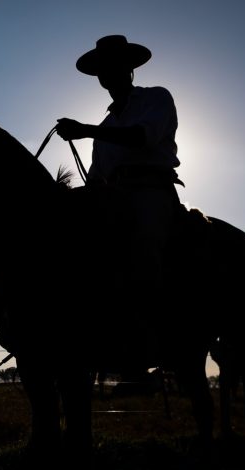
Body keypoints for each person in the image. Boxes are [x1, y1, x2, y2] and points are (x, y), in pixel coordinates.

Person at [55, 35, 183, 365]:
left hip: (151, 191)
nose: (108, 74)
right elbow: (97, 176)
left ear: (130, 70)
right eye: (102, 69)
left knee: (144, 244)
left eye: (114, 66)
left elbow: (144, 137)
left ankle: (151, 336)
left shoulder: (156, 98)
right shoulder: (106, 125)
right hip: (114, 195)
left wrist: (85, 130)